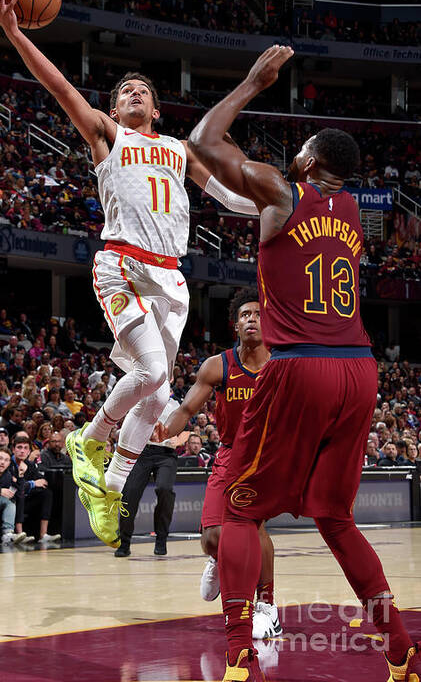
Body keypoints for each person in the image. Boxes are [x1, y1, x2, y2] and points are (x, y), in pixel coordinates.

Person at [0, 0, 259, 549]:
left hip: (172, 277)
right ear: (113, 108)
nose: (133, 93)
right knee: (154, 375)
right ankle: (90, 439)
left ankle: (109, 488)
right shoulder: (107, 135)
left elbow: (231, 199)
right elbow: (60, 86)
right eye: (124, 91)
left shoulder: (182, 150)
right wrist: (15, 33)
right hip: (122, 265)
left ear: (156, 109)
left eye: (142, 90)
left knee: (159, 396)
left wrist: (275, 203)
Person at [187, 44, 421, 681]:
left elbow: (203, 141)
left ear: (311, 159)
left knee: (239, 510)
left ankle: (238, 653)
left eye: (302, 148)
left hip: (303, 366)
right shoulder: (352, 211)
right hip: (361, 370)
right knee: (334, 515)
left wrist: (252, 82)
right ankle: (400, 647)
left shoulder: (283, 192)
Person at [160, 295, 279, 640]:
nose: (252, 319)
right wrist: (165, 430)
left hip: (268, 458)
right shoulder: (218, 365)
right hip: (230, 455)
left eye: (258, 314)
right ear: (236, 324)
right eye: (245, 314)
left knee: (255, 530)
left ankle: (268, 608)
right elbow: (186, 410)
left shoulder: (281, 363)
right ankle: (218, 558)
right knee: (213, 536)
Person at [115, 406, 180, 558]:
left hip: (166, 454)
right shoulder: (142, 400)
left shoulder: (176, 404)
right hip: (141, 451)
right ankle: (124, 542)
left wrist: (177, 438)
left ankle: (161, 539)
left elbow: (183, 430)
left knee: (165, 489)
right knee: (129, 493)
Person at [9, 435, 60, 543]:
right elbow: (13, 487)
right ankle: (19, 534)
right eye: (19, 447)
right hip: (12, 500)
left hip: (26, 500)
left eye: (25, 448)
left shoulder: (30, 465)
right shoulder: (8, 464)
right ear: (13, 449)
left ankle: (43, 534)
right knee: (20, 494)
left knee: (47, 493)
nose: (22, 451)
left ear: (29, 451)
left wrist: (34, 483)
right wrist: (32, 484)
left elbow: (41, 480)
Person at [0, 447, 26, 545]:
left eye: (6, 460)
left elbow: (18, 495)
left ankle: (8, 534)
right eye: (0, 458)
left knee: (9, 500)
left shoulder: (7, 476)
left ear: (9, 463)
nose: (2, 462)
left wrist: (20, 476)